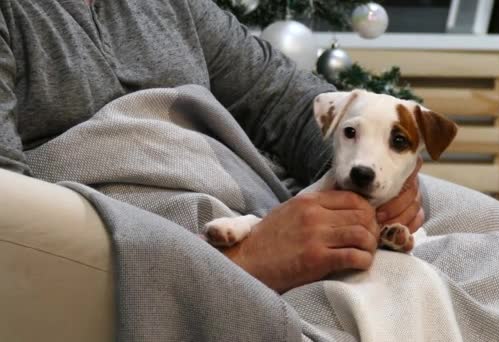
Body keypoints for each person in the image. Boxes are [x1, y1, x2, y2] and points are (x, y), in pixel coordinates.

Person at [3, 0, 439, 294]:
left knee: (477, 220)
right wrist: (246, 261)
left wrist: (370, 176)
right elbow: (11, 208)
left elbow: (281, 98)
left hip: (249, 198)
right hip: (143, 237)